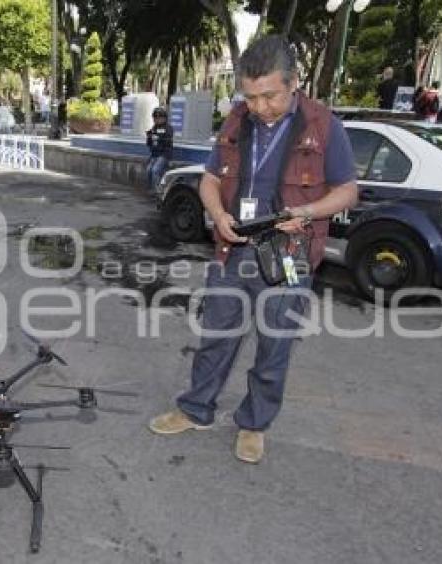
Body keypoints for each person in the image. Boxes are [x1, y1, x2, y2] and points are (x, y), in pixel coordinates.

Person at [147, 34, 358, 464]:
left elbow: (349, 191)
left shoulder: (323, 124)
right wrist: (216, 215)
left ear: (294, 82)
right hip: (234, 251)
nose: (260, 107)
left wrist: (310, 210)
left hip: (289, 256)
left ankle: (253, 424)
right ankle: (196, 409)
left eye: (270, 96)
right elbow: (209, 179)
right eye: (250, 96)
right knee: (216, 337)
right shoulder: (237, 121)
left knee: (274, 346)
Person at [146, 107, 174, 192]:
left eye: (159, 117)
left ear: (164, 118)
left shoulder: (168, 128)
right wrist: (149, 137)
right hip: (154, 154)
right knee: (148, 170)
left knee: (155, 170)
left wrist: (157, 137)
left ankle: (159, 191)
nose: (157, 119)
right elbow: (149, 143)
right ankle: (152, 189)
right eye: (155, 118)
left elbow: (167, 141)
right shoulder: (154, 128)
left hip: (164, 155)